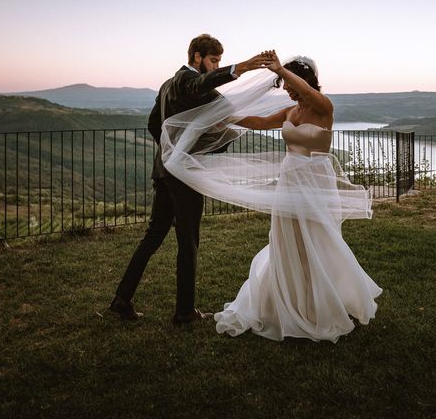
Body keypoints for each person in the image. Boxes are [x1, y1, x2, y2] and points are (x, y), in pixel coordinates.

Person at [212, 51, 383, 342]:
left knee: (317, 239)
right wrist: (226, 116)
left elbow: (305, 90)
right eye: (283, 83)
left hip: (316, 182)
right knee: (287, 239)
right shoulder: (290, 113)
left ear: (303, 79)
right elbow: (259, 122)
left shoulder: (323, 106)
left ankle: (317, 303)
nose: (286, 89)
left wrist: (281, 68)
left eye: (287, 83)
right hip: (289, 182)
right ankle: (287, 301)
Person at [107, 34, 272, 324]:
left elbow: (153, 124)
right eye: (213, 60)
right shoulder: (186, 81)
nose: (216, 65)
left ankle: (122, 299)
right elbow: (202, 88)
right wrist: (242, 67)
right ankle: (184, 312)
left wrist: (171, 151)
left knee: (154, 235)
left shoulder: (167, 84)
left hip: (164, 170)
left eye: (220, 61)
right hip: (183, 174)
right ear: (197, 57)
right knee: (188, 240)